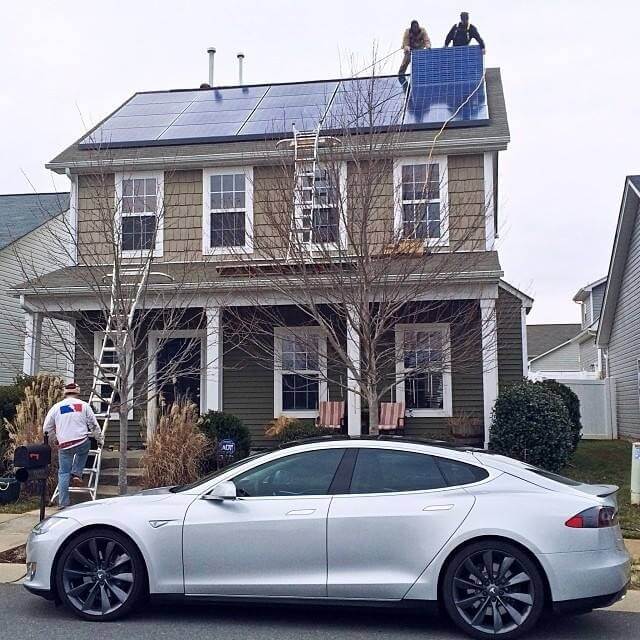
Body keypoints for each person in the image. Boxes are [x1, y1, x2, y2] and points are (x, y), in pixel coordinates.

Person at [43, 382, 103, 508]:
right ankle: (77, 473)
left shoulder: (56, 407)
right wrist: (99, 439)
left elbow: (46, 428)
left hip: (64, 445)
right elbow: (93, 424)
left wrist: (55, 439)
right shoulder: (84, 406)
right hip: (81, 441)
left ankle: (63, 503)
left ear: (65, 393)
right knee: (85, 448)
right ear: (78, 392)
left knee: (64, 473)